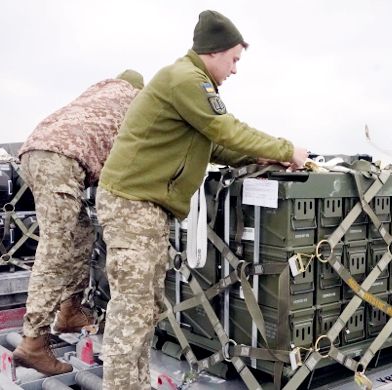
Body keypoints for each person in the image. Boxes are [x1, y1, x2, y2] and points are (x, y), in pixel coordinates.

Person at [96, 10, 308, 390]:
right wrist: (286, 148)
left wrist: (263, 158)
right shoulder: (186, 79)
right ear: (216, 52)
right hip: (132, 205)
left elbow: (214, 147)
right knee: (132, 311)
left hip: (143, 207)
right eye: (235, 60)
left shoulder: (187, 82)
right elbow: (225, 128)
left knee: (146, 309)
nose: (236, 70)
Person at [11, 70, 144, 376]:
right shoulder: (135, 101)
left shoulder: (98, 92)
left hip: (36, 151)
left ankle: (70, 310)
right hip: (61, 158)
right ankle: (33, 342)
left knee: (81, 234)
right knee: (56, 248)